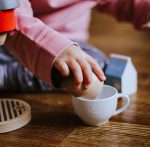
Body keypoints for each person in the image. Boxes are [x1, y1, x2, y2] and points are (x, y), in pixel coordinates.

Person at [0, 0, 150, 92]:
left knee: (91, 67)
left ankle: (6, 74)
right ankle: (6, 75)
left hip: (74, 46)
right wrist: (54, 47)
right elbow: (14, 15)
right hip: (15, 39)